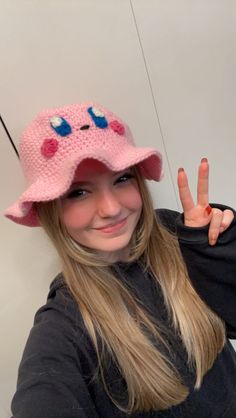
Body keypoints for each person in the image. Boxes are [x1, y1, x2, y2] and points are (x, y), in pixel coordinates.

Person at [4, 102, 236, 418]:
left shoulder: (177, 234)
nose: (111, 208)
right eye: (78, 193)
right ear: (50, 211)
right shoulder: (64, 324)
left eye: (122, 178)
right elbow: (44, 389)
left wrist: (215, 255)